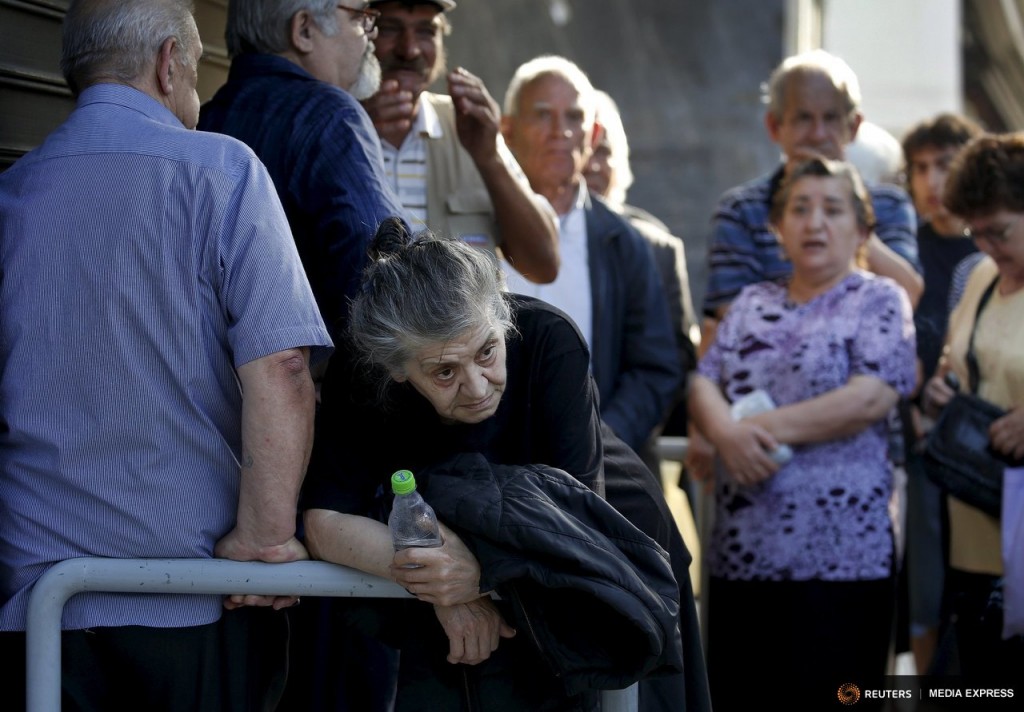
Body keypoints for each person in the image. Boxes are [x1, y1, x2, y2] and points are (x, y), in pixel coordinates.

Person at [0, 1, 333, 709]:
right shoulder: (223, 171)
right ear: (168, 62)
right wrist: (264, 541)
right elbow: (283, 366)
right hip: (193, 594)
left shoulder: (12, 194)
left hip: (43, 607)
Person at [303, 218, 710, 711]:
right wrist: (442, 581)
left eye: (487, 352)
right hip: (472, 553)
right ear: (395, 369)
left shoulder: (549, 337)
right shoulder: (363, 370)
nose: (476, 388)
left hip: (608, 537)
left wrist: (478, 571)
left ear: (502, 317)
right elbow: (325, 522)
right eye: (444, 371)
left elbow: (578, 529)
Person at [688, 158, 916, 709]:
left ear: (862, 230)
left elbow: (873, 395)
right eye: (800, 209)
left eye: (833, 210)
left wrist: (752, 431)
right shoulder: (749, 304)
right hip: (745, 552)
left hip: (843, 558)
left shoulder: (879, 299)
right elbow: (702, 380)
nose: (815, 223)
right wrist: (724, 431)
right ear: (777, 228)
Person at [499, 55, 682, 458]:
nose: (560, 132)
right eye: (542, 115)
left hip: (593, 474)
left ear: (594, 132)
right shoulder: (474, 228)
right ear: (506, 130)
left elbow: (655, 368)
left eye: (575, 117)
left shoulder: (624, 243)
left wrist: (599, 441)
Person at [197, 0, 407, 339]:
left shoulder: (203, 120)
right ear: (304, 30)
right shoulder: (331, 116)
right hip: (310, 380)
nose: (373, 33)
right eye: (360, 17)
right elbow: (384, 268)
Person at [700, 49, 922, 351]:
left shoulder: (888, 203)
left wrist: (851, 218)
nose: (818, 135)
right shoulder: (741, 210)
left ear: (854, 126)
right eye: (803, 118)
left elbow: (906, 294)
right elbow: (734, 320)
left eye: (831, 118)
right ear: (775, 127)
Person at [922, 132, 1024, 684]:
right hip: (975, 526)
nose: (986, 245)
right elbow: (955, 361)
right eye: (975, 232)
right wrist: (942, 389)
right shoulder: (981, 277)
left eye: (1000, 230)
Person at [362, 0, 559, 282]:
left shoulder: (470, 127)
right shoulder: (334, 130)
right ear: (363, 32)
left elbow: (543, 266)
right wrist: (360, 125)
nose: (410, 49)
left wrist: (489, 158)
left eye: (426, 31)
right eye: (391, 29)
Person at [899, 112, 984, 674]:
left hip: (986, 454)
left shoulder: (996, 257)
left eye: (945, 165)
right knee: (924, 602)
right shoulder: (903, 251)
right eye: (919, 169)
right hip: (920, 454)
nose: (932, 182)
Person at [585, 88, 698, 488]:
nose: (593, 165)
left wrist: (603, 442)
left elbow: (676, 359)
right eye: (587, 148)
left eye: (606, 151)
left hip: (628, 463)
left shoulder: (657, 248)